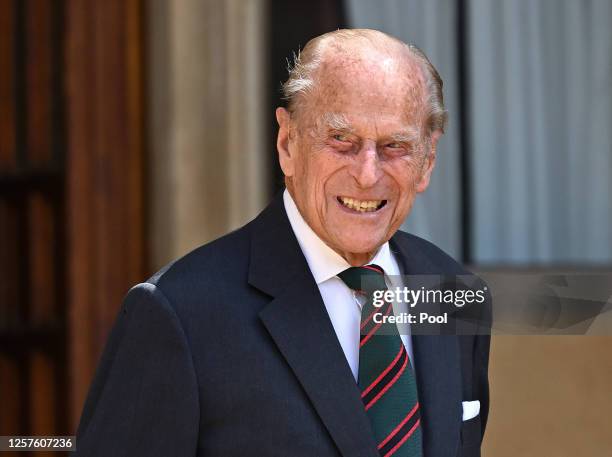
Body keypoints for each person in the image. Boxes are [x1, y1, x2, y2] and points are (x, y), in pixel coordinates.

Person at [74, 29, 490, 457]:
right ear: (287, 142)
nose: (368, 174)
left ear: (428, 161)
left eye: (395, 145)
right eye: (341, 139)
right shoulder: (179, 313)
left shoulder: (455, 294)